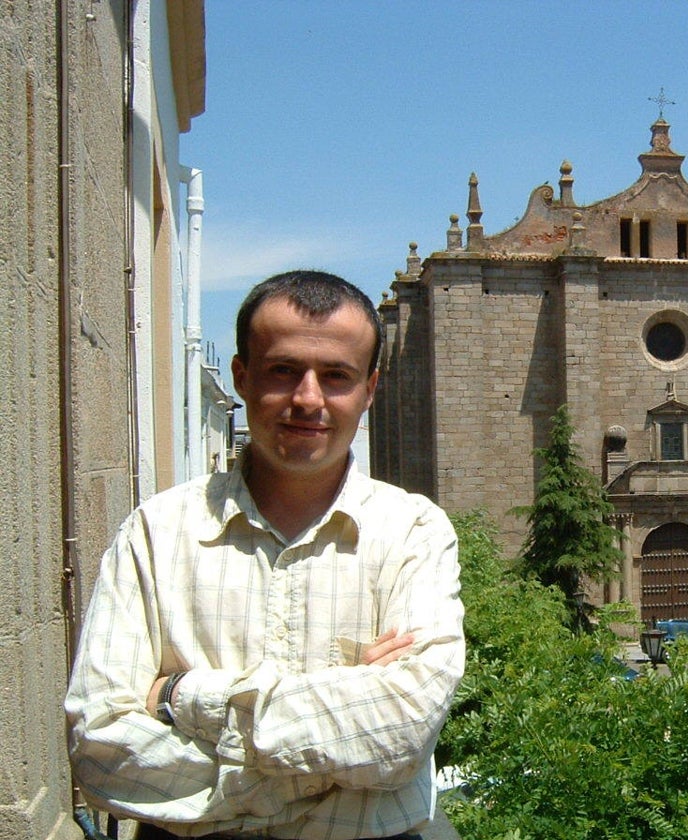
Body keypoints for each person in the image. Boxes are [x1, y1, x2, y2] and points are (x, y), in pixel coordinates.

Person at [65, 271, 464, 840]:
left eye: (336, 376)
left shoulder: (414, 533)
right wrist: (327, 767)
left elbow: (403, 731)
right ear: (241, 378)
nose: (308, 398)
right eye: (283, 371)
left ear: (370, 390)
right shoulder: (156, 533)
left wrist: (180, 697)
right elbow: (100, 749)